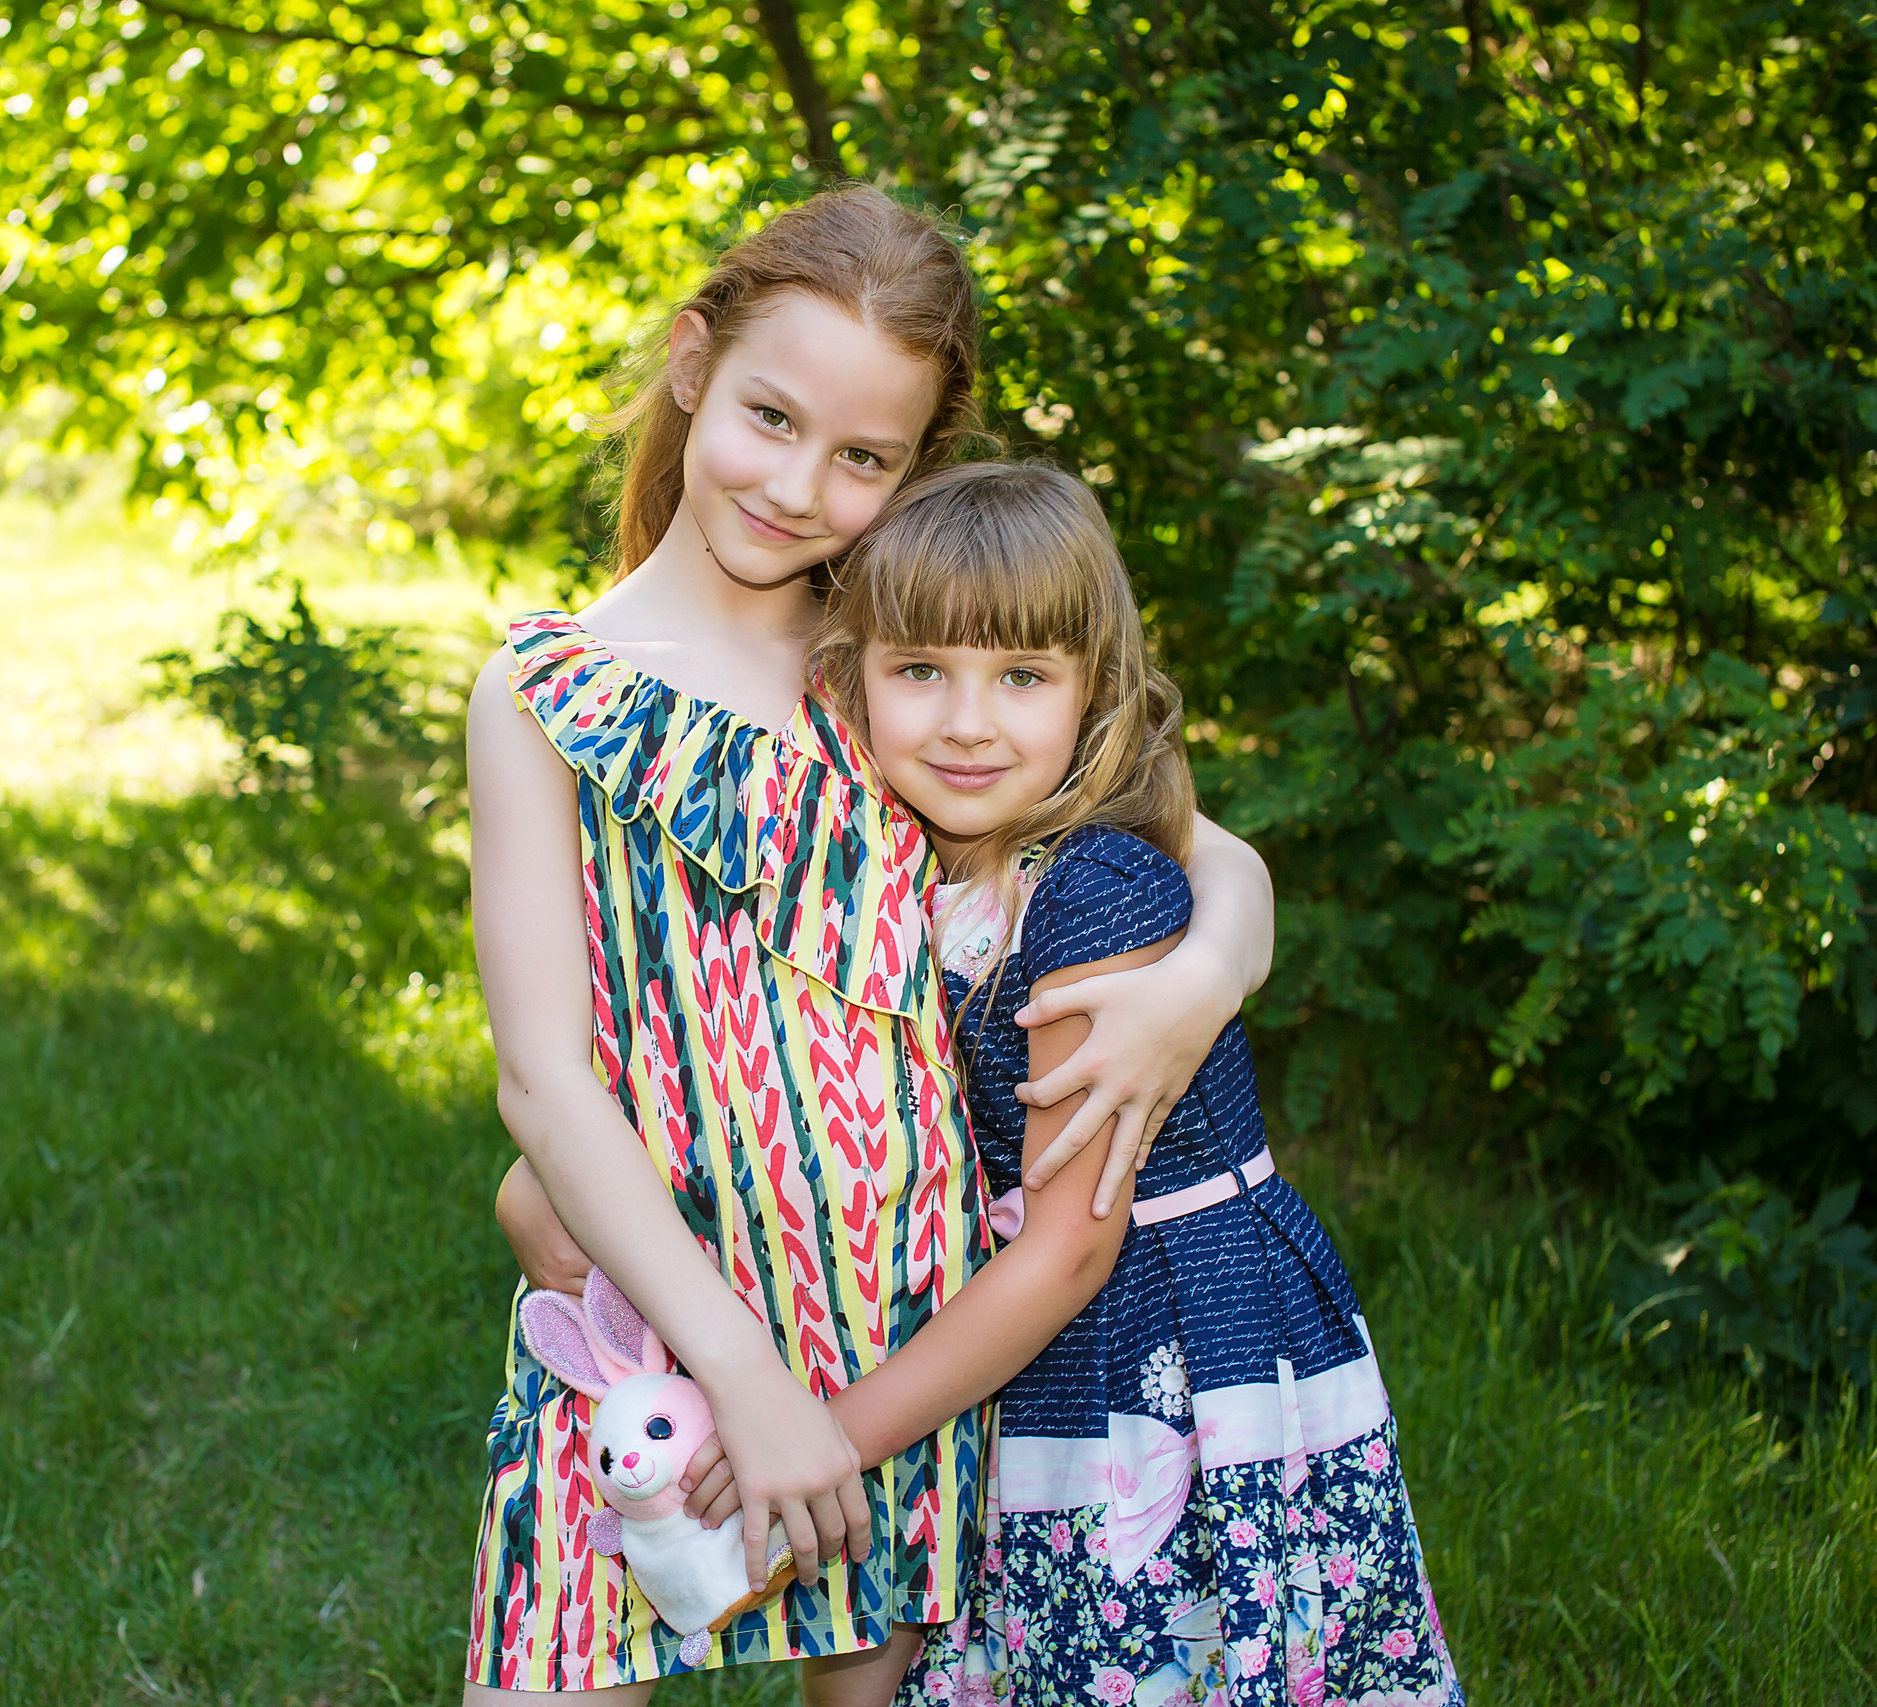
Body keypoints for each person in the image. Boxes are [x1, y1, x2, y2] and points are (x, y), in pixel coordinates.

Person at [466, 190, 1281, 1702]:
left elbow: (1180, 829)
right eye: (772, 416)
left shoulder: (897, 652)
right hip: (654, 1325)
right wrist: (744, 1378)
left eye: (865, 457)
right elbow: (544, 1083)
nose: (798, 485)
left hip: (896, 1342)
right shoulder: (546, 694)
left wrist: (1209, 971)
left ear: (915, 468)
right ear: (692, 361)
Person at [791, 460, 1459, 1706]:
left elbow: (1066, 1253)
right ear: (850, 676)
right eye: (920, 670)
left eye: (1023, 677)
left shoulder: (1089, 889)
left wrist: (828, 1441)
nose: (967, 722)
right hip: (1037, 1322)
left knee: (1160, 1651)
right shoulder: (899, 861)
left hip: (1166, 1332)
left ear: (1093, 688)